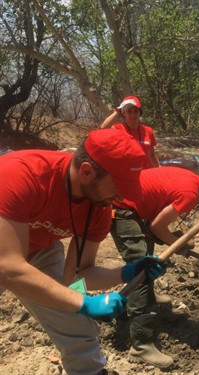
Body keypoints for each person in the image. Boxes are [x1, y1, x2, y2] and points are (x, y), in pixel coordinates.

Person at [0, 129, 168, 375]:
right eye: (118, 187)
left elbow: (77, 275)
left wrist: (126, 273)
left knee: (79, 328)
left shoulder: (98, 207)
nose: (121, 197)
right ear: (87, 171)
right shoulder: (20, 174)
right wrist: (84, 302)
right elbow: (9, 267)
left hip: (39, 246)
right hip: (6, 248)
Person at [110, 166, 199, 368]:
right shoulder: (189, 194)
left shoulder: (190, 182)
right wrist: (177, 245)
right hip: (123, 208)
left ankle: (144, 300)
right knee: (141, 269)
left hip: (136, 209)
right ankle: (141, 345)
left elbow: (158, 218)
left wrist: (176, 241)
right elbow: (156, 228)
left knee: (148, 259)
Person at [101, 95, 160, 168]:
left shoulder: (148, 130)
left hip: (147, 173)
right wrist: (117, 111)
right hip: (129, 174)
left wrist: (159, 169)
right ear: (124, 113)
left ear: (139, 112)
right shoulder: (119, 129)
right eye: (129, 111)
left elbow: (152, 155)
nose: (133, 114)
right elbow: (103, 128)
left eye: (136, 111)